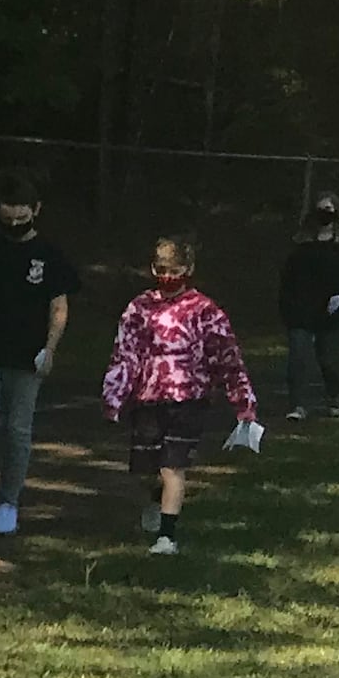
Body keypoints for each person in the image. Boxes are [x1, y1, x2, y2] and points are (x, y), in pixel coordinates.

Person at [103, 235, 259, 555]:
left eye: (175, 270)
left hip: (190, 399)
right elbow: (125, 353)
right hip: (148, 399)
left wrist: (243, 404)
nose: (168, 276)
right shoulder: (139, 308)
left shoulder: (205, 311)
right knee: (147, 468)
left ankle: (167, 536)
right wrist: (114, 395)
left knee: (172, 466)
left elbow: (227, 357)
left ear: (189, 269)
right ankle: (154, 499)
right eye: (161, 269)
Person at [0, 174, 81, 538]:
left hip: (27, 357)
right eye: (8, 220)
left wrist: (50, 349)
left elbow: (59, 307)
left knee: (18, 431)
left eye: (22, 219)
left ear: (36, 211)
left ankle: (8, 503)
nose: (15, 226)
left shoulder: (49, 256)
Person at [277, 194, 339, 418]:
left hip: (331, 312)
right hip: (302, 309)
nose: (324, 214)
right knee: (298, 359)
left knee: (328, 361)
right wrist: (289, 305)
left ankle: (335, 394)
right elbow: (289, 277)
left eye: (328, 209)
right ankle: (298, 405)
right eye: (320, 209)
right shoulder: (302, 245)